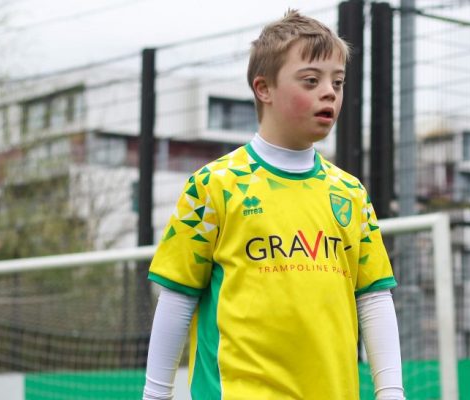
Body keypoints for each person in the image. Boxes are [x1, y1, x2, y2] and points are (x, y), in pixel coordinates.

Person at [143, 10, 404, 400]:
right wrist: (155, 394)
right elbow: (178, 297)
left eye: (338, 81)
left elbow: (373, 299)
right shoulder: (214, 185)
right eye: (311, 80)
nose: (330, 92)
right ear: (263, 88)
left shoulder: (350, 192)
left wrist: (392, 391)